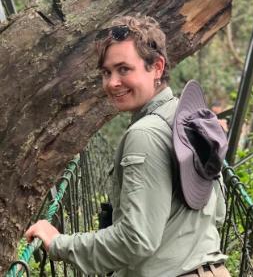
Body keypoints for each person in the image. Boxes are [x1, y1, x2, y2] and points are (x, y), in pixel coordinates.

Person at [25, 15, 231, 277]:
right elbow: (218, 213)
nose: (112, 83)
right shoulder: (188, 119)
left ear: (157, 67)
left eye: (124, 69)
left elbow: (136, 239)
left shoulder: (145, 134)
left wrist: (59, 243)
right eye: (106, 72)